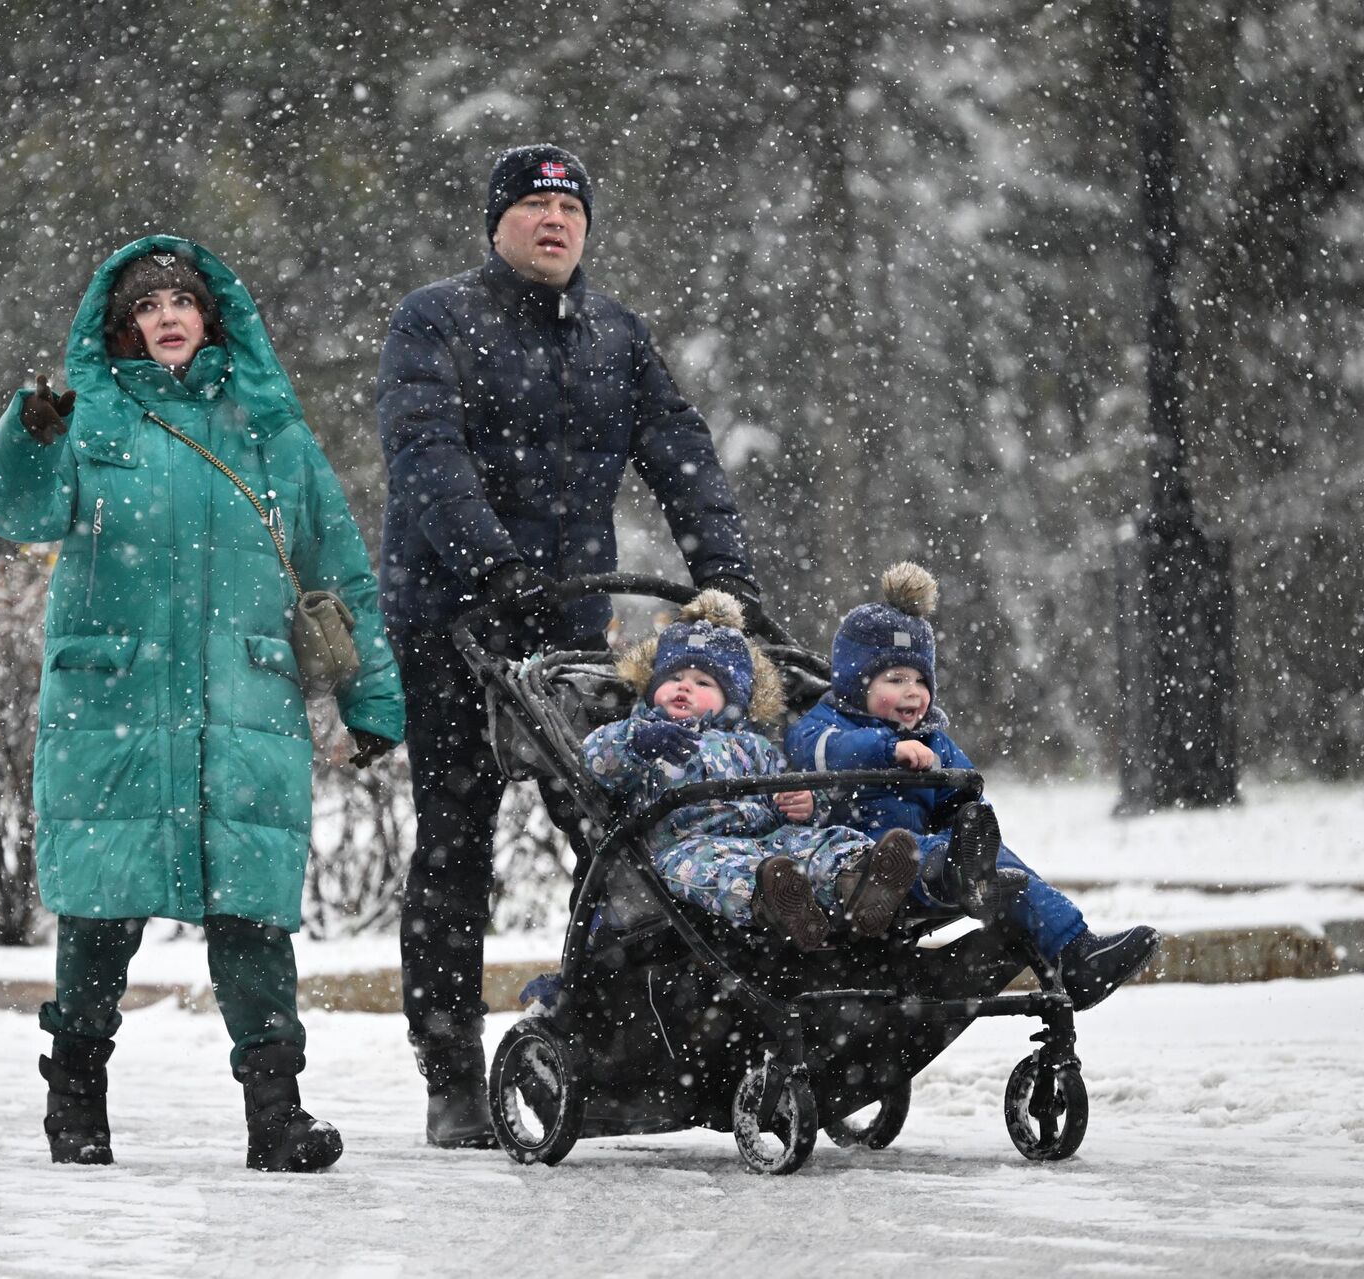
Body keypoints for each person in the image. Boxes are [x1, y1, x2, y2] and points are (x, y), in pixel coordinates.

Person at [0, 235, 405, 1172]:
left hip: (245, 705)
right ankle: (75, 1102)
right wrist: (28, 430)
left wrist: (373, 696)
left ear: (212, 318)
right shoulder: (88, 422)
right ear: (122, 328)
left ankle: (277, 1115)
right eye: (147, 305)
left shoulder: (267, 430)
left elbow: (339, 568)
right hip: (113, 702)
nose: (166, 315)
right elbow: (14, 511)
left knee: (253, 918)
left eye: (182, 301)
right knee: (98, 915)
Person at [376, 144, 772, 1147]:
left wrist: (727, 573)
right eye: (534, 204)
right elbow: (427, 454)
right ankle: (451, 1072)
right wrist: (490, 558)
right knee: (457, 844)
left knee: (617, 838)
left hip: (566, 633)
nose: (555, 219)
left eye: (571, 206)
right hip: (453, 624)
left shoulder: (614, 336)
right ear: (497, 223)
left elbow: (682, 454)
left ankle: (626, 1036)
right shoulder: (436, 320)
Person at [784, 563, 1161, 1012]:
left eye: (921, 680)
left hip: (930, 847)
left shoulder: (932, 738)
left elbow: (960, 785)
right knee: (919, 854)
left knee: (1006, 869)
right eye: (895, 679)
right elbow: (825, 753)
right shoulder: (823, 726)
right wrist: (889, 749)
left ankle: (1076, 952)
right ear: (853, 683)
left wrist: (964, 805)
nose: (913, 692)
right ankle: (962, 872)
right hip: (859, 856)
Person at [581, 592, 922, 947]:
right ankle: (773, 903)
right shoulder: (641, 733)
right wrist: (637, 744)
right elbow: (597, 760)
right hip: (688, 844)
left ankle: (860, 882)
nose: (685, 686)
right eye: (675, 676)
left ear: (734, 701)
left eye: (704, 683)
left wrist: (805, 804)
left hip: (767, 841)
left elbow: (784, 792)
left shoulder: (753, 746)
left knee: (820, 843)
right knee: (719, 872)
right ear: (653, 687)